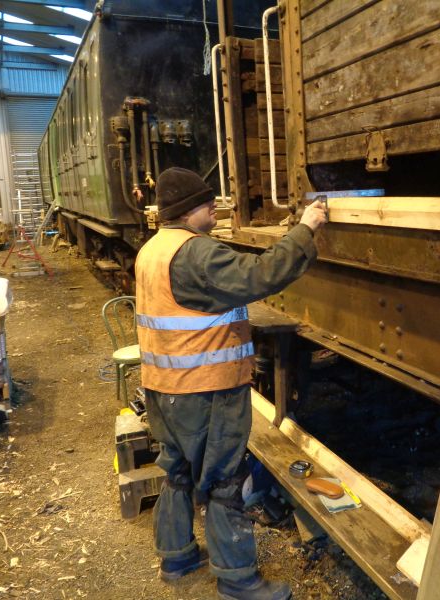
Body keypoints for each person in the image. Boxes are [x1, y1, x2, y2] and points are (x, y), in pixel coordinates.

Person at [136, 167, 327, 600]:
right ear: (190, 211)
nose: (213, 210)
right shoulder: (196, 253)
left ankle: (177, 556)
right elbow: (259, 276)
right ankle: (238, 580)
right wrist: (305, 229)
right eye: (207, 205)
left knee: (177, 471)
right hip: (205, 388)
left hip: (162, 386)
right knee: (225, 481)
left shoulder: (153, 249)